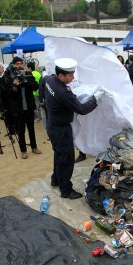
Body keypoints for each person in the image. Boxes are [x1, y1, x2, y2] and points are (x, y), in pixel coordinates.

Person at [44, 58, 102, 199]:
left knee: (59, 154)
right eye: (69, 75)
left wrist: (44, 103)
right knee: (66, 158)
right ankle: (66, 190)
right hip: (61, 129)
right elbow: (81, 109)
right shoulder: (63, 92)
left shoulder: (49, 79)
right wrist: (95, 99)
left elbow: (42, 90)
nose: (73, 77)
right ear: (60, 75)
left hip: (51, 123)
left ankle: (56, 179)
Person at [7, 57, 42, 159]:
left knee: (31, 129)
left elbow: (35, 86)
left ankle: (34, 147)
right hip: (19, 108)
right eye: (17, 64)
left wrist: (25, 81)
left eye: (20, 63)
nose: (19, 65)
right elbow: (8, 93)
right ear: (13, 65)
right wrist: (14, 86)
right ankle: (23, 151)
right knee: (21, 130)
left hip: (29, 107)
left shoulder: (28, 74)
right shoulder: (10, 76)